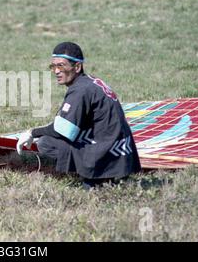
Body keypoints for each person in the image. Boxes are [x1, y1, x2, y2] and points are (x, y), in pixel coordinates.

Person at [16, 42, 141, 189]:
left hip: (106, 153)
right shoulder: (91, 82)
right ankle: (108, 176)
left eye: (61, 66)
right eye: (53, 66)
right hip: (122, 153)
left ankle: (96, 178)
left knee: (46, 142)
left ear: (77, 67)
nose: (56, 71)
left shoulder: (80, 90)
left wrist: (32, 132)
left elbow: (62, 129)